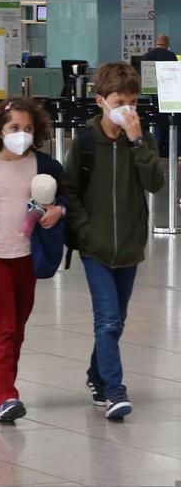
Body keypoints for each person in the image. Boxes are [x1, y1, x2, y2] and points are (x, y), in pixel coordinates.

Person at [61, 62, 164, 420]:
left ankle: (95, 375)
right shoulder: (86, 141)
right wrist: (85, 230)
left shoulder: (143, 138)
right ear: (101, 100)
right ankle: (114, 389)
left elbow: (155, 183)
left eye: (133, 102)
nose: (128, 109)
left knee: (117, 320)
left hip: (130, 247)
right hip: (96, 247)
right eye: (121, 101)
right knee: (106, 320)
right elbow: (69, 190)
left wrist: (137, 141)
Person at [0, 98, 65, 422]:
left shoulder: (45, 167)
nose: (22, 134)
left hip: (28, 258)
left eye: (28, 128)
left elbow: (64, 200)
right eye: (14, 128)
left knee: (17, 327)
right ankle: (6, 395)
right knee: (3, 325)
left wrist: (57, 211)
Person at [141, 35, 177, 157]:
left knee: (155, 122)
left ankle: (156, 150)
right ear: (166, 44)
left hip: (152, 95)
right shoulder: (171, 56)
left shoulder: (147, 56)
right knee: (168, 122)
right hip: (168, 95)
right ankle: (167, 150)